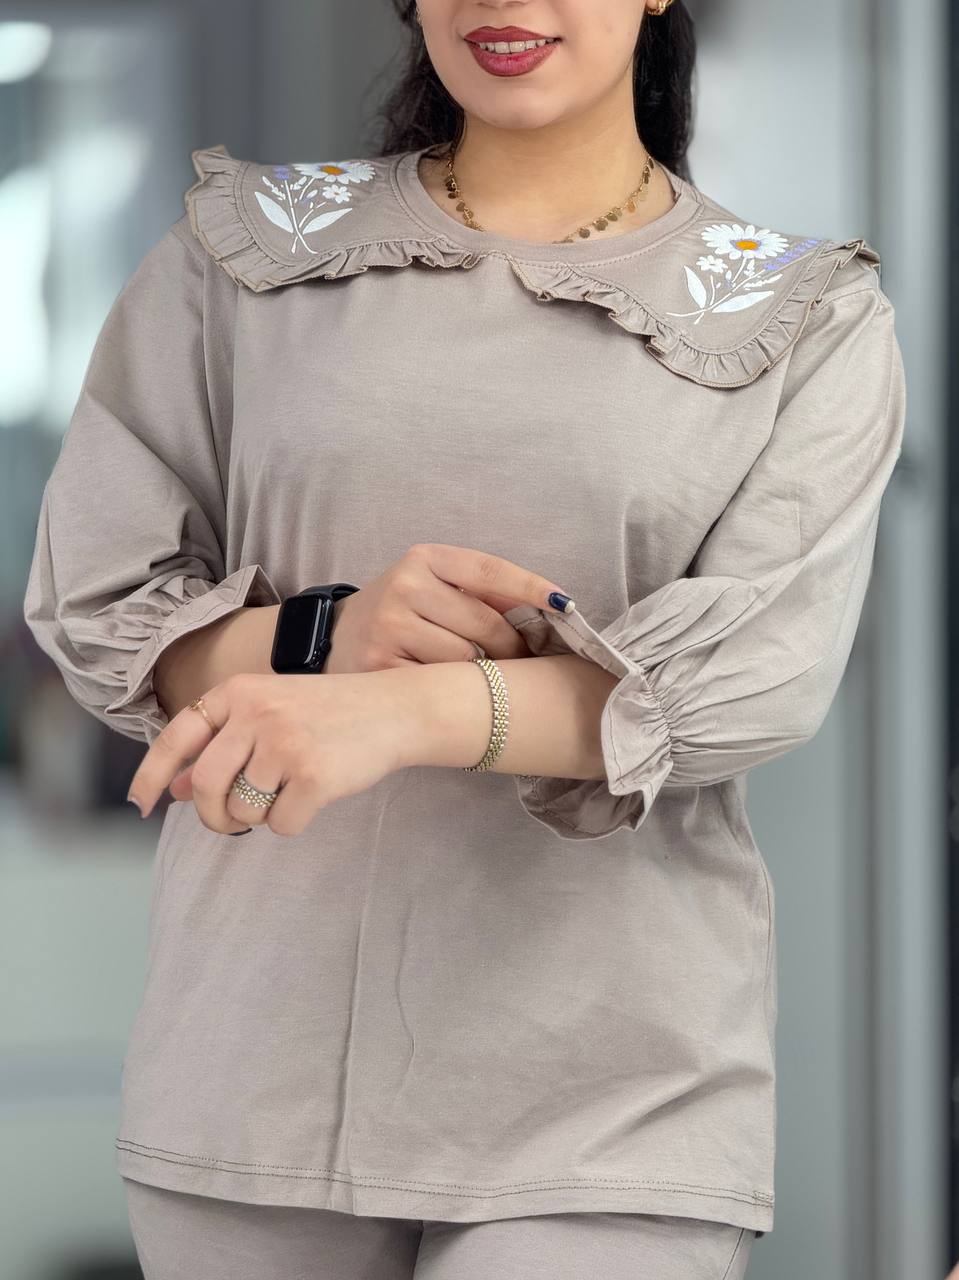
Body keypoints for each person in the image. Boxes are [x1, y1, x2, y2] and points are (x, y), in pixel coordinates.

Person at [22, 0, 906, 1276]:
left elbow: (753, 682)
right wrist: (323, 634)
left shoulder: (801, 313)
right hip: (254, 1057)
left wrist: (404, 711)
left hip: (611, 1081)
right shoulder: (242, 252)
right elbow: (103, 604)